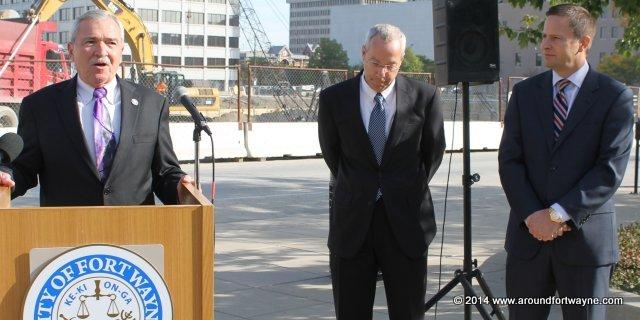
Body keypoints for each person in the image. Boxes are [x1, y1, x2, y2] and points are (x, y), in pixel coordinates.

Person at [498, 4, 634, 320]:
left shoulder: (614, 97)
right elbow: (510, 160)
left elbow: (609, 169)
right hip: (527, 242)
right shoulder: (524, 93)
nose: (545, 45)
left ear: (584, 42)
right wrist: (533, 215)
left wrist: (558, 215)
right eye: (545, 36)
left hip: (585, 246)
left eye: (556, 38)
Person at [0, 10, 194, 206]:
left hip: (135, 231)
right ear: (71, 50)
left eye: (111, 43)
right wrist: (6, 177)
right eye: (90, 42)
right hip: (67, 231)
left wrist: (180, 186)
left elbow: (164, 172)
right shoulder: (40, 106)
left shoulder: (152, 104)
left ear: (121, 50)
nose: (101, 51)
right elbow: (23, 168)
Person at [318, 24, 445, 319]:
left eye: (392, 66)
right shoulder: (334, 99)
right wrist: (365, 185)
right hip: (353, 224)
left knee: (408, 312)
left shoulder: (424, 97)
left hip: (407, 223)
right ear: (363, 54)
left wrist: (399, 187)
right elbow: (333, 155)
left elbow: (432, 153)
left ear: (401, 62)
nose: (382, 73)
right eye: (375, 63)